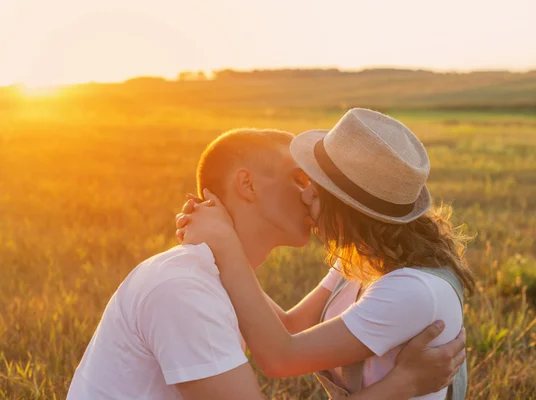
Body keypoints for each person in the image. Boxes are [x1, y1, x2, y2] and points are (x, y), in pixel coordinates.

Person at [66, 128, 466, 400]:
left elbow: (283, 341)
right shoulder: (182, 289)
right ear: (247, 185)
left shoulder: (404, 285)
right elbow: (284, 339)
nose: (310, 193)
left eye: (315, 181)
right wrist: (404, 383)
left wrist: (225, 246)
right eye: (299, 177)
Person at [177, 109, 476, 399]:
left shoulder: (413, 290)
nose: (304, 196)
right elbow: (288, 327)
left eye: (317, 192)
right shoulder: (362, 259)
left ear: (350, 210)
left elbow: (281, 357)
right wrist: (225, 243)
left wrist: (227, 246)